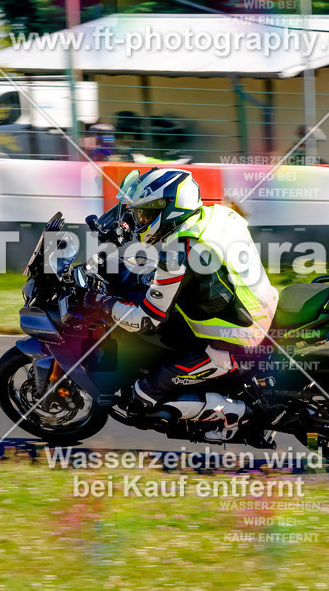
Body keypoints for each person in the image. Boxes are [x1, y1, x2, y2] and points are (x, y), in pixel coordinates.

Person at [90, 168, 280, 445]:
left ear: (168, 211)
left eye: (145, 214)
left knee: (142, 398)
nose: (141, 220)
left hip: (238, 339)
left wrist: (103, 303)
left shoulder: (179, 252)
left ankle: (245, 416)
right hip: (259, 304)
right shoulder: (218, 215)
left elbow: (146, 319)